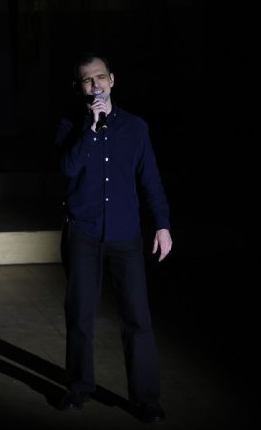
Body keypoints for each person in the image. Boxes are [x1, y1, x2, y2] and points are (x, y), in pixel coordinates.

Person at [54, 53, 172, 424]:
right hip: (84, 233)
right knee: (80, 315)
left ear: (112, 80)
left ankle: (146, 398)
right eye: (88, 81)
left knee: (137, 318)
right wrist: (90, 129)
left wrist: (162, 225)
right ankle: (78, 386)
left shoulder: (136, 128)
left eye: (101, 77)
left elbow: (150, 179)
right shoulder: (70, 126)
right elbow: (68, 169)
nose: (96, 85)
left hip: (125, 235)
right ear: (80, 88)